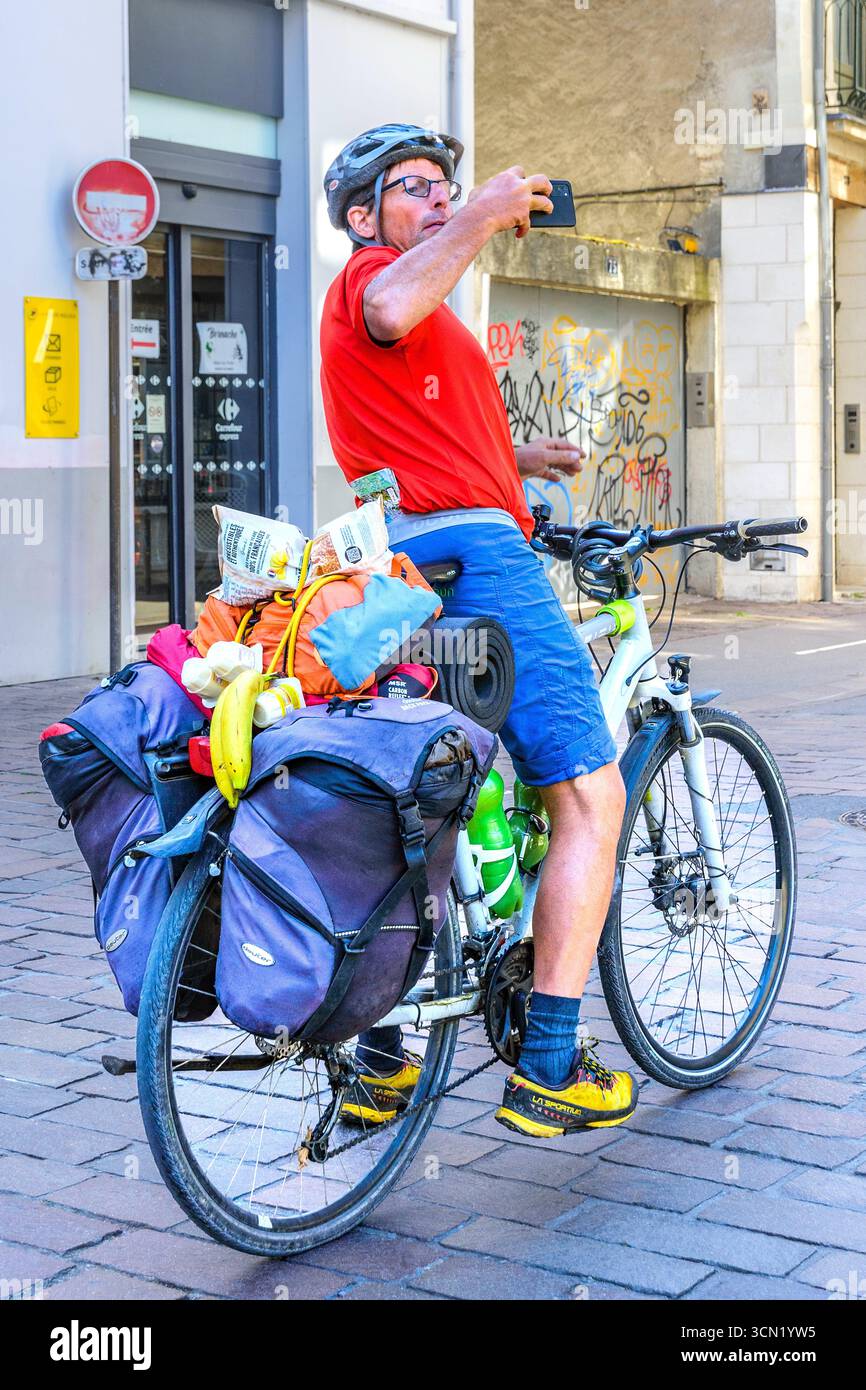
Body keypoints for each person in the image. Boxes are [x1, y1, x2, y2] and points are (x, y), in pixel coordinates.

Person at [320, 124, 636, 1138]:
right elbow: (386, 301)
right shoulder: (375, 285)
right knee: (588, 791)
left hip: (398, 574)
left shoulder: (423, 328)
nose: (435, 197)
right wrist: (481, 211)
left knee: (427, 793)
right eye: (410, 188)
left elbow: (427, 436)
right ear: (362, 216)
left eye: (442, 186)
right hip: (473, 569)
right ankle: (549, 1064)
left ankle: (378, 1058)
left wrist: (518, 459)